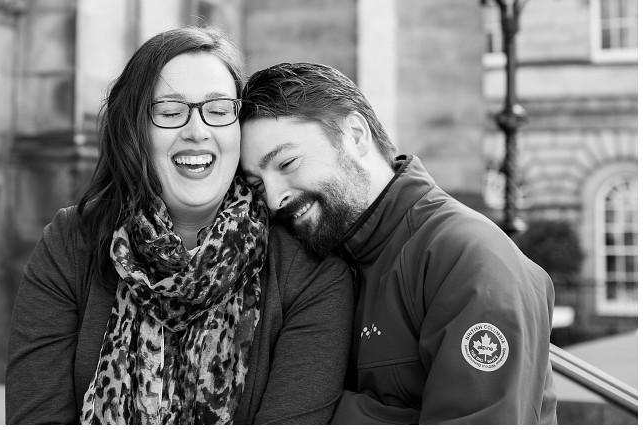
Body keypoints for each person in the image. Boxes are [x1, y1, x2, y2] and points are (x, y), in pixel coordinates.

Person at [6, 28, 354, 424]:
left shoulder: (309, 268)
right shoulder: (72, 242)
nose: (197, 130)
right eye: (171, 112)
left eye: (220, 110)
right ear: (135, 131)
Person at [238, 61, 558, 424]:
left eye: (287, 163)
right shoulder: (317, 258)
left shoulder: (469, 259)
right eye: (257, 184)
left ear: (355, 135)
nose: (273, 198)